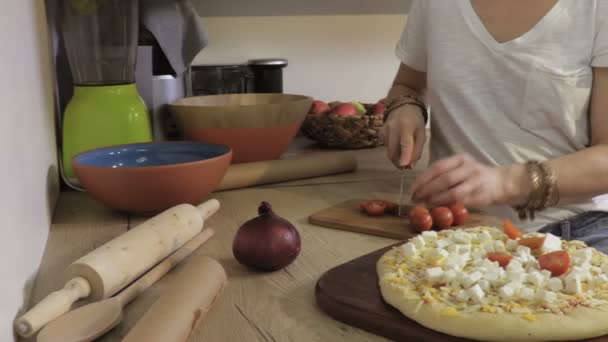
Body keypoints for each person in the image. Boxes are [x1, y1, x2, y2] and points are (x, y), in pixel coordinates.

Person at [381, 0, 608, 251]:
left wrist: (506, 183)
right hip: (454, 232)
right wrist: (404, 108)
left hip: (573, 231)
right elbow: (408, 86)